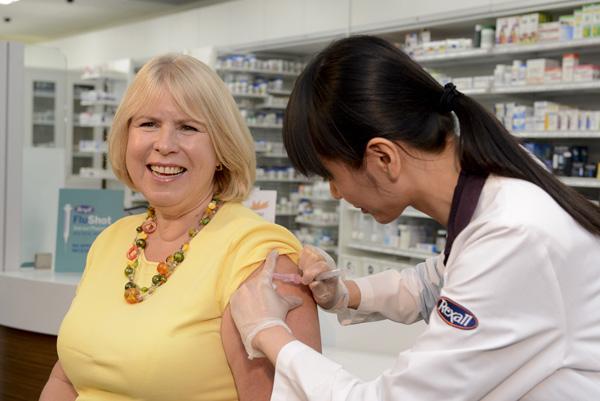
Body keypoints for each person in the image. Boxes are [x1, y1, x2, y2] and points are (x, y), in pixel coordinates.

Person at [230, 35, 600, 400]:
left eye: (331, 175)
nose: (336, 193)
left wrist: (269, 333)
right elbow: (434, 282)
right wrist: (344, 293)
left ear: (383, 158)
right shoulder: (493, 190)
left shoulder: (514, 235)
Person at [39, 54, 321, 401]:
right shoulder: (112, 240)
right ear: (126, 137)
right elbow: (66, 379)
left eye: (188, 127)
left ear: (221, 147)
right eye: (147, 124)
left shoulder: (259, 255)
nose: (164, 144)